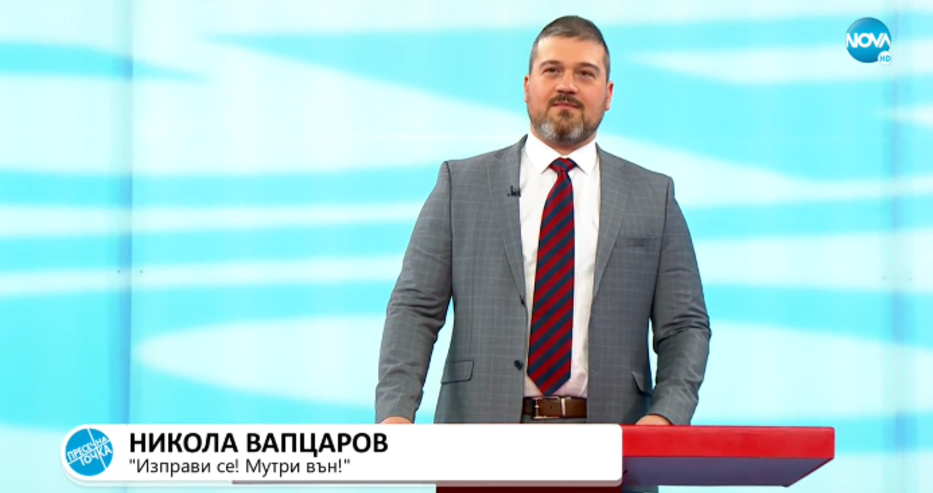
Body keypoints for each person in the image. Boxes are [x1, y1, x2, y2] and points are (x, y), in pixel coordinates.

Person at [375, 15, 711, 489]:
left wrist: (667, 416)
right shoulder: (461, 185)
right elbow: (414, 308)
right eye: (552, 70)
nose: (567, 85)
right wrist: (395, 415)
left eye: (585, 73)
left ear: (608, 94)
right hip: (478, 446)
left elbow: (685, 325)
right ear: (527, 86)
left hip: (613, 451)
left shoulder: (652, 195)